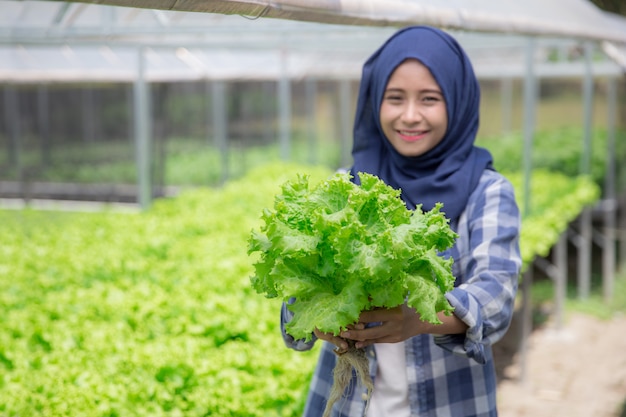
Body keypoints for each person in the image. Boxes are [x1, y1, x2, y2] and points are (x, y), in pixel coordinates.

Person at [280, 25, 521, 417]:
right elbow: (296, 295)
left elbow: (497, 297)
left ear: (457, 102)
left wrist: (421, 319)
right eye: (395, 99)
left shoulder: (487, 191)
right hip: (349, 404)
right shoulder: (346, 187)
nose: (410, 116)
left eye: (429, 99)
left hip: (450, 403)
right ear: (375, 102)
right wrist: (316, 316)